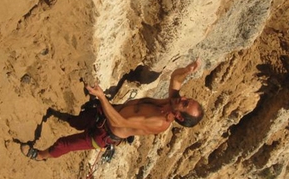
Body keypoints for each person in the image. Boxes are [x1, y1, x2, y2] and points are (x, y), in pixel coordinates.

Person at [21, 60, 204, 160]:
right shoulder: (171, 103)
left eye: (185, 103)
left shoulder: (159, 121)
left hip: (105, 134)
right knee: (78, 121)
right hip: (104, 115)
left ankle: (39, 155)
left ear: (179, 116)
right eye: (188, 99)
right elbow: (176, 78)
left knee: (64, 144)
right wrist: (187, 70)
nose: (184, 98)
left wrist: (101, 97)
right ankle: (60, 117)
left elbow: (120, 122)